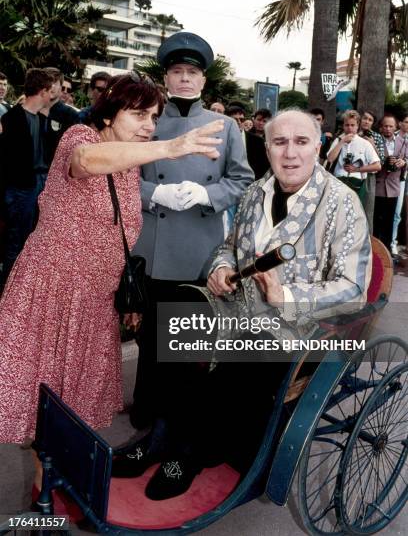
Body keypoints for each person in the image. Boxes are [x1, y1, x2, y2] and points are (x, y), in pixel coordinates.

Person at [113, 109, 372, 501]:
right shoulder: (255, 193)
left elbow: (354, 288)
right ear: (265, 148)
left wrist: (285, 296)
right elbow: (228, 247)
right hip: (238, 307)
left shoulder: (342, 203)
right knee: (175, 316)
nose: (290, 153)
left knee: (244, 350)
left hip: (302, 330)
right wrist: (219, 267)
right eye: (279, 142)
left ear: (318, 147)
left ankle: (191, 452)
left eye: (301, 142)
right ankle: (160, 436)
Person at [0, 72, 223, 465]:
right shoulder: (81, 137)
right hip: (53, 295)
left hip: (94, 302)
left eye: (154, 117)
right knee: (42, 409)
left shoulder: (128, 165)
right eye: (139, 115)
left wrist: (125, 290)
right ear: (108, 116)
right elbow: (86, 163)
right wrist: (171, 147)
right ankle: (46, 501)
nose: (149, 126)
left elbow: (116, 231)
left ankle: (52, 494)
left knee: (68, 415)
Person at [128, 32, 254, 430]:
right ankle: (146, 403)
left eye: (192, 72)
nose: (185, 78)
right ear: (166, 77)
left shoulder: (225, 126)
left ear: (203, 81)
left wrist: (206, 192)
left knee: (186, 335)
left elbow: (242, 181)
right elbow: (124, 177)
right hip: (153, 243)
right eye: (177, 71)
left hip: (200, 245)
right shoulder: (147, 121)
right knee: (149, 335)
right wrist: (156, 192)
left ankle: (178, 414)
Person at [0, 68, 56, 284]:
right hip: (21, 189)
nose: (52, 96)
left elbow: (51, 151)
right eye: (50, 91)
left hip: (40, 185)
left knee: (34, 240)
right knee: (17, 242)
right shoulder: (12, 119)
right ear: (43, 91)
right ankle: (9, 290)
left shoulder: (42, 119)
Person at [326, 110, 380, 201]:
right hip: (338, 181)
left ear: (357, 126)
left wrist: (356, 169)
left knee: (353, 213)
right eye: (347, 125)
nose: (350, 128)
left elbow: (377, 166)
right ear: (343, 126)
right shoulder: (338, 140)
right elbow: (330, 159)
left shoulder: (365, 143)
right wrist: (342, 142)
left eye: (352, 125)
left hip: (357, 183)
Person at [374, 114, 408, 255]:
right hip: (378, 185)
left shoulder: (403, 142)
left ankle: (387, 253)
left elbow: (406, 157)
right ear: (381, 128)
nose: (388, 129)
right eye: (385, 126)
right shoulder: (376, 141)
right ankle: (375, 251)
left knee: (389, 221)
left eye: (391, 126)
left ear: (396, 127)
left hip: (394, 187)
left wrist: (404, 162)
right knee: (376, 220)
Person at [359, 110, 385, 234]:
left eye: (370, 120)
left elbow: (382, 160)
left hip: (369, 177)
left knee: (368, 211)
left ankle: (368, 244)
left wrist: (372, 144)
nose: (367, 121)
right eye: (365, 118)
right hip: (352, 175)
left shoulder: (377, 137)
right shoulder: (352, 133)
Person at [390, 113, 408, 256]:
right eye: (407, 122)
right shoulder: (393, 136)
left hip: (403, 179)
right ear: (401, 123)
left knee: (398, 213)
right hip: (392, 179)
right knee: (392, 212)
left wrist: (406, 162)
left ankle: (393, 242)